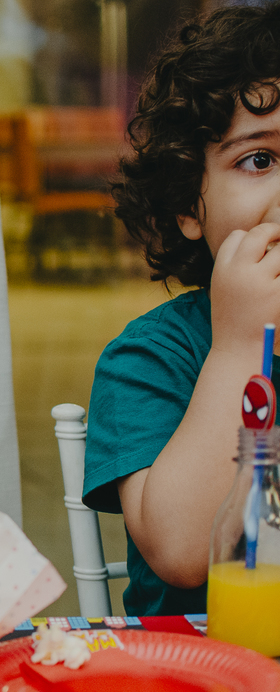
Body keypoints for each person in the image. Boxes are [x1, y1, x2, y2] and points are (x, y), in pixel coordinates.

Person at [84, 3, 280, 616]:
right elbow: (183, 550)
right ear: (188, 209)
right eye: (260, 160)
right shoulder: (151, 358)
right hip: (204, 679)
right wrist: (242, 346)